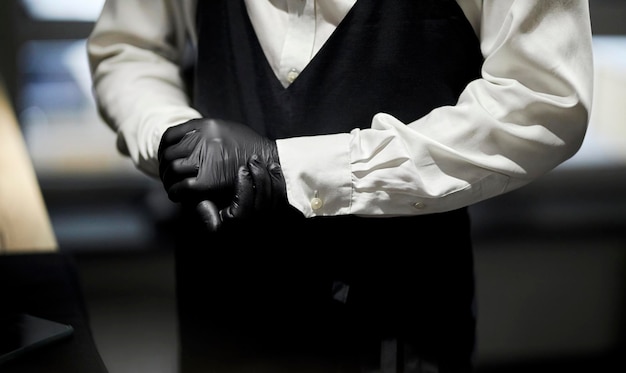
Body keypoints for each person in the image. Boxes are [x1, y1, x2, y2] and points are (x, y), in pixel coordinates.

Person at [87, 1, 594, 372]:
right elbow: (130, 47)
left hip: (396, 314)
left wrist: (288, 166)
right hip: (219, 300)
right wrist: (173, 137)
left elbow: (542, 98)